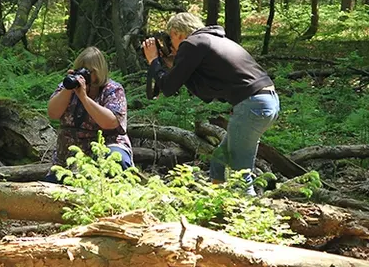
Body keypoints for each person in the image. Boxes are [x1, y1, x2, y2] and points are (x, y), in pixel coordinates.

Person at [142, 12, 279, 194]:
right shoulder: (210, 41)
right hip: (266, 101)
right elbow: (204, 92)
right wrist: (172, 64)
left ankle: (250, 207)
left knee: (240, 172)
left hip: (252, 104)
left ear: (176, 33)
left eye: (170, 39)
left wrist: (153, 61)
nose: (172, 46)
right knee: (220, 160)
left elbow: (168, 87)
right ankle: (217, 200)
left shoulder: (193, 43)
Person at [46, 47, 132, 180]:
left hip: (106, 148)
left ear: (98, 72)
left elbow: (110, 122)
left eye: (87, 72)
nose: (82, 77)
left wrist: (84, 98)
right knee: (52, 185)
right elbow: (53, 113)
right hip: (69, 154)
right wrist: (68, 89)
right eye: (79, 70)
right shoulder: (67, 88)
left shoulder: (112, 90)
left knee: (116, 162)